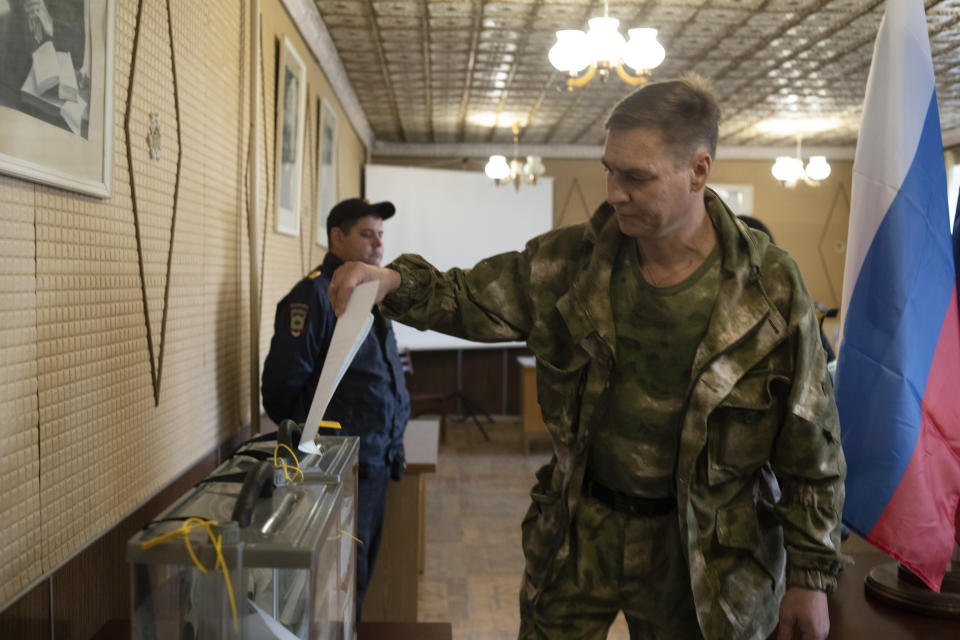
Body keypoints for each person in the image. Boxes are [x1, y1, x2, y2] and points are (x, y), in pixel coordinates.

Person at [327, 76, 848, 640]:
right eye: (610, 169)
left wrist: (811, 577)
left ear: (699, 170)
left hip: (707, 557)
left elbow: (810, 439)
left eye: (636, 176)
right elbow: (471, 295)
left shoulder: (768, 288)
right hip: (580, 533)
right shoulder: (575, 260)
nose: (615, 191)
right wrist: (391, 281)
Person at [261, 198, 411, 621]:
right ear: (337, 237)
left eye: (381, 235)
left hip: (376, 461)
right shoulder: (315, 296)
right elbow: (280, 394)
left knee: (358, 577)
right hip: (337, 470)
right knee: (337, 581)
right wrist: (317, 447)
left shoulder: (369, 293)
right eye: (367, 234)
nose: (378, 245)